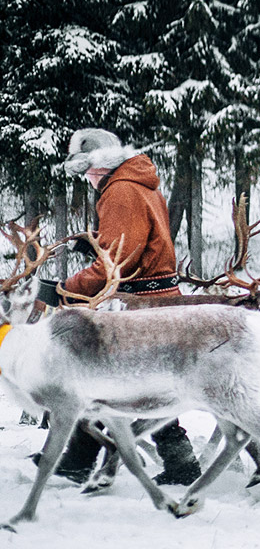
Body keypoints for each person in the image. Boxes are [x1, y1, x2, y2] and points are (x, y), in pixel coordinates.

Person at [42, 128, 200, 485]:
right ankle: (79, 459)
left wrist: (67, 289)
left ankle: (175, 462)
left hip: (136, 303)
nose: (87, 179)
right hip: (155, 299)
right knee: (126, 382)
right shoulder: (138, 182)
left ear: (99, 165)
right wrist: (98, 244)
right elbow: (133, 242)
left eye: (87, 172)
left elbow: (118, 263)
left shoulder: (119, 191)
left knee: (117, 381)